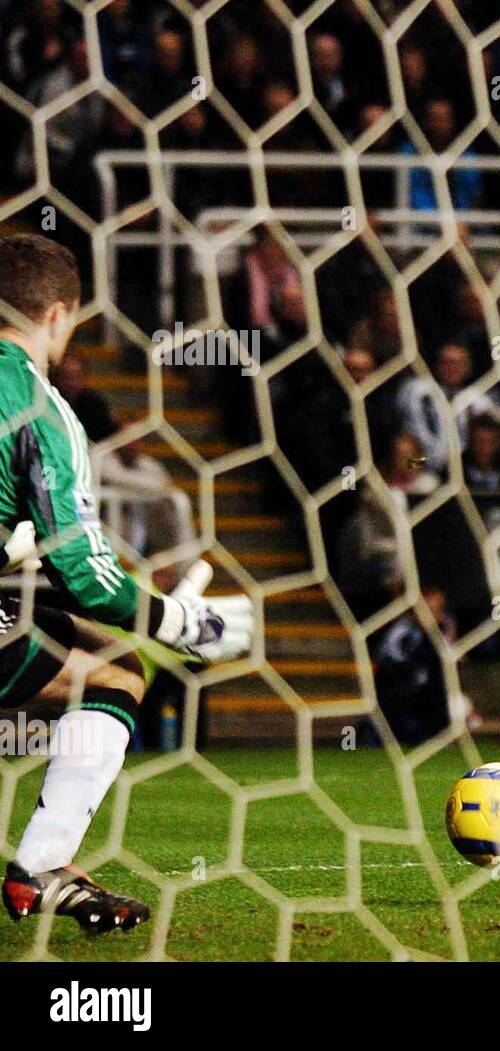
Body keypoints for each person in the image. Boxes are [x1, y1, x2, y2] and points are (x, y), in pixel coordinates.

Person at [0, 234, 252, 931]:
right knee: (117, 672)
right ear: (57, 316)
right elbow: (85, 577)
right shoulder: (39, 407)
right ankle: (43, 863)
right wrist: (181, 622)